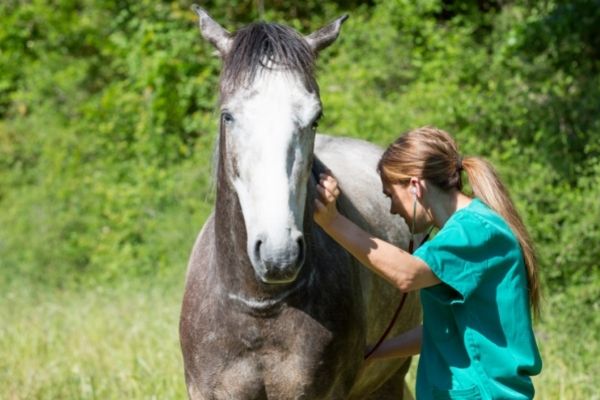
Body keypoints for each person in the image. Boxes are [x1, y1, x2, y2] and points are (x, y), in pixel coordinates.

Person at [313, 126, 542, 399]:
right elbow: (442, 330)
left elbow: (407, 274)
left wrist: (333, 222)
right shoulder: (460, 234)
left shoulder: (476, 231)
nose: (392, 209)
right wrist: (373, 352)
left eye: (390, 195)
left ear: (415, 185)